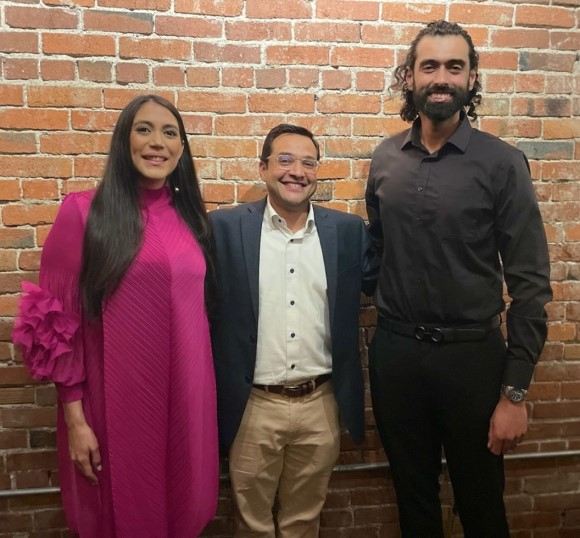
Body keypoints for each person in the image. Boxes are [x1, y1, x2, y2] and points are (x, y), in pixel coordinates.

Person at [365, 20, 552, 537]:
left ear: (472, 79)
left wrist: (514, 393)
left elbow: (531, 283)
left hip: (473, 361)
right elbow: (378, 248)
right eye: (429, 66)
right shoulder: (384, 160)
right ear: (409, 77)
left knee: (481, 504)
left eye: (454, 66)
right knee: (413, 497)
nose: (441, 77)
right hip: (397, 355)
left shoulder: (502, 163)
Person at [13, 95, 218, 537]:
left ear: (182, 149)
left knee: (184, 510)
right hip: (111, 405)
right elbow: (52, 322)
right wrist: (74, 417)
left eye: (169, 133)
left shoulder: (191, 219)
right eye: (143, 129)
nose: (156, 142)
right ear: (123, 140)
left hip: (187, 399)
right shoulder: (84, 212)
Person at [210, 124, 377, 537]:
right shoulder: (224, 230)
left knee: (304, 521)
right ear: (263, 168)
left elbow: (388, 283)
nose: (296, 171)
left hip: (320, 404)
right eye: (285, 160)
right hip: (253, 407)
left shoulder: (348, 232)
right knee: (252, 524)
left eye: (308, 162)